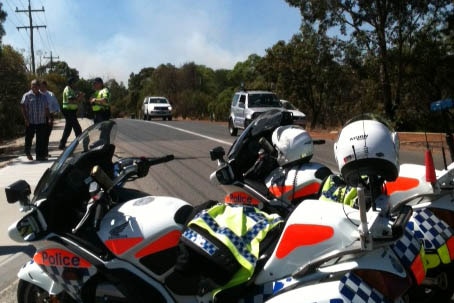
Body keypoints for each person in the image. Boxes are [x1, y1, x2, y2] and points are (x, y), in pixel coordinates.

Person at [20, 79, 51, 161]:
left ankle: (39, 156)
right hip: (31, 121)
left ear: (39, 87)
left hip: (41, 121)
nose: (34, 88)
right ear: (31, 86)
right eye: (33, 86)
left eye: (36, 86)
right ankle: (27, 152)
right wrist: (26, 119)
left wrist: (49, 118)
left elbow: (46, 108)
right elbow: (23, 107)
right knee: (29, 138)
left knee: (40, 139)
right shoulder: (27, 96)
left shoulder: (43, 96)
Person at [59, 77, 84, 150]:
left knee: (68, 129)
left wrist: (79, 97)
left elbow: (75, 100)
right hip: (68, 111)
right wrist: (79, 97)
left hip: (71, 111)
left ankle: (62, 144)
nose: (75, 84)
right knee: (77, 128)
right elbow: (70, 100)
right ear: (71, 83)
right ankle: (81, 144)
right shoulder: (68, 89)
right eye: (74, 82)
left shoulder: (71, 90)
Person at [40, 80, 61, 155]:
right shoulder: (37, 94)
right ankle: (41, 152)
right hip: (40, 117)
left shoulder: (51, 94)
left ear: (46, 86)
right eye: (40, 86)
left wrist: (56, 111)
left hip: (50, 116)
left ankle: (45, 151)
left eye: (43, 86)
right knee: (41, 135)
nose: (41, 88)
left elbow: (56, 105)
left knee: (47, 134)